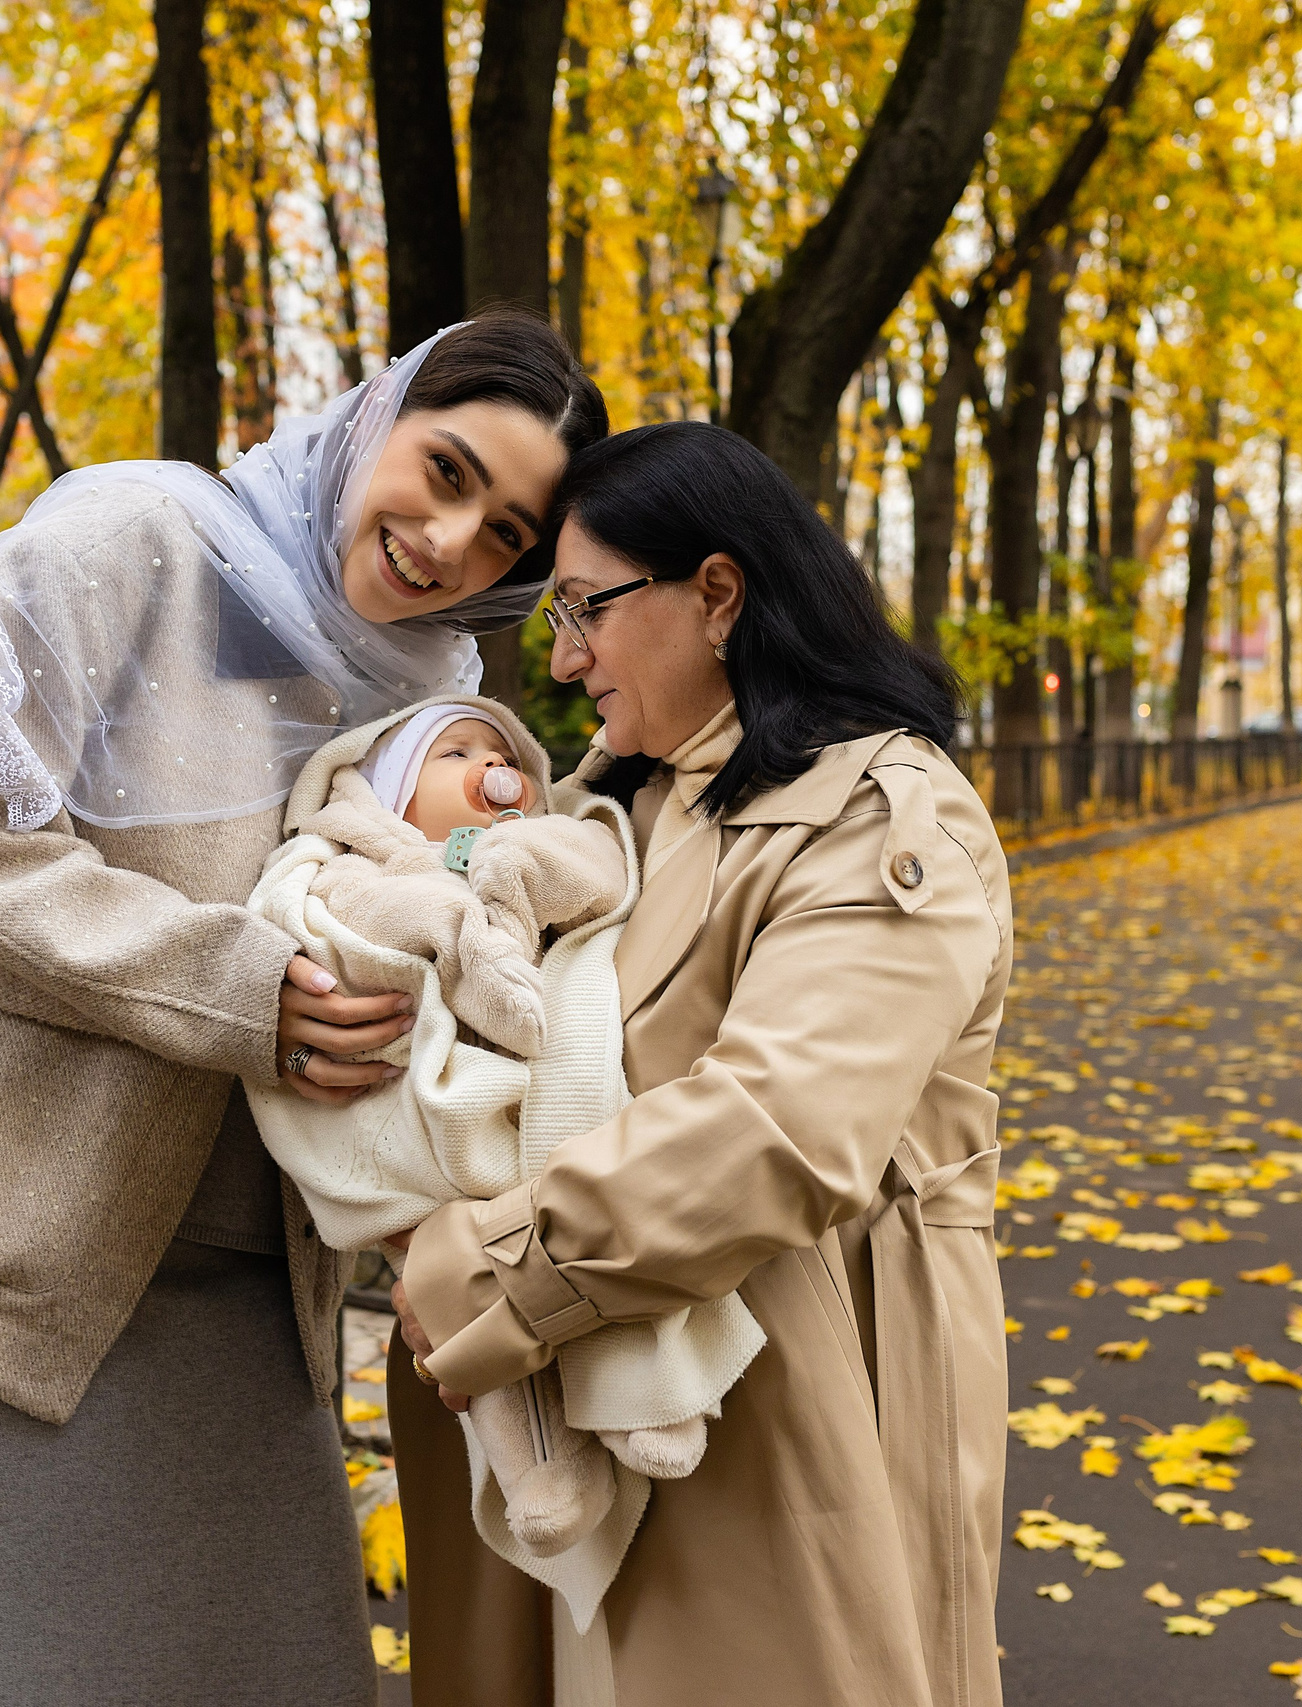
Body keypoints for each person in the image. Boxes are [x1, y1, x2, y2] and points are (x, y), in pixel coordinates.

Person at [0, 315, 606, 1707]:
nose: (448, 542)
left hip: (241, 1294)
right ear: (374, 417)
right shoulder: (130, 543)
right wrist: (238, 989)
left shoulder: (425, 685)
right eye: (444, 471)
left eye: (503, 535)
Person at [385, 421, 1014, 1707]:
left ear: (716, 594)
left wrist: (486, 1269)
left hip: (791, 1401)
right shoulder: (620, 808)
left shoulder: (878, 816)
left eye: (586, 609)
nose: (565, 658)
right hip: (586, 1389)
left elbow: (780, 1130)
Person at [243, 694, 761, 1587]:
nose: (493, 767)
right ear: (387, 795)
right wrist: (463, 932)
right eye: (455, 754)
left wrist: (514, 873)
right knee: (460, 1300)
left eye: (503, 751)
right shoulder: (359, 869)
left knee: (584, 1227)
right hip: (425, 1125)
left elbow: (599, 871)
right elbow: (354, 935)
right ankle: (541, 1471)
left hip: (542, 1095)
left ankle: (647, 1391)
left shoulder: (545, 837)